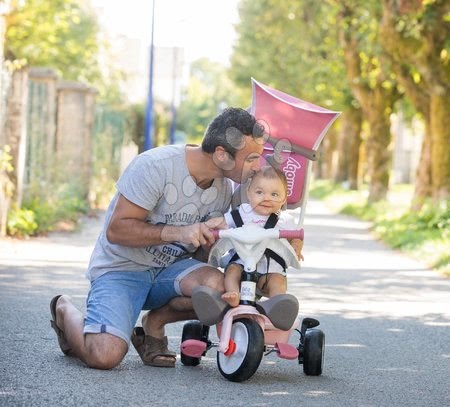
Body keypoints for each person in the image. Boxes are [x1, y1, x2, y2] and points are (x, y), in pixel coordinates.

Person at [49, 107, 265, 369]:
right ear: (222, 155)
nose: (258, 166)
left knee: (227, 290)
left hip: (169, 273)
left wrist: (210, 243)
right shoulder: (155, 167)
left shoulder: (226, 189)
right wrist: (179, 232)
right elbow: (116, 230)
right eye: (252, 158)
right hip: (122, 269)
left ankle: (154, 323)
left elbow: (204, 256)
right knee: (104, 355)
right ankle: (64, 309)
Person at [217, 165, 304, 308]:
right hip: (242, 264)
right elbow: (222, 223)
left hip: (270, 268)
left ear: (284, 198)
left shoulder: (284, 219)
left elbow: (296, 235)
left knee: (278, 282)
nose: (266, 198)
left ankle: (277, 307)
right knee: (231, 272)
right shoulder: (243, 212)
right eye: (259, 192)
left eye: (274, 194)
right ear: (249, 193)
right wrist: (213, 225)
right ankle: (233, 293)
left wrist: (296, 246)